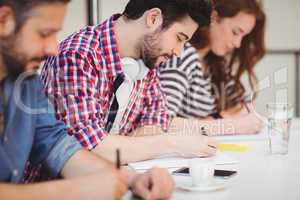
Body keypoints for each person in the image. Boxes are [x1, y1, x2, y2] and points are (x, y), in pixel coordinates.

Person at [0, 0, 174, 199]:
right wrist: (75, 190)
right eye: (44, 34)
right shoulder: (76, 54)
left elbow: (57, 145)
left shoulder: (25, 82)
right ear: (4, 20)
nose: (53, 48)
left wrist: (131, 180)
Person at [41, 0, 218, 164]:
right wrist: (172, 143)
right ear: (153, 18)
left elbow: (155, 122)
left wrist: (116, 146)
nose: (178, 52)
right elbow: (88, 147)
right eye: (179, 38)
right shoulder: (77, 56)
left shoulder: (147, 59)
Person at [160, 0, 266, 136]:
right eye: (235, 32)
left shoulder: (215, 63)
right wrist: (227, 123)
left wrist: (214, 120)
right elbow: (162, 123)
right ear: (214, 18)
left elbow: (245, 109)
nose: (238, 43)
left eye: (243, 37)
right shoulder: (183, 55)